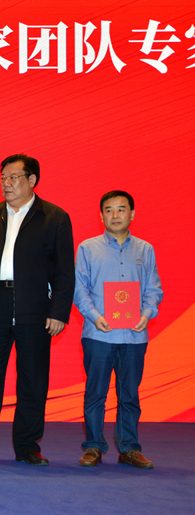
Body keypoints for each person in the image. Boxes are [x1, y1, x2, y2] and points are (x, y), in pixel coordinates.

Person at [0, 154, 74, 466]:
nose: (6, 184)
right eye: (3, 178)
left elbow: (64, 270)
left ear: (32, 180)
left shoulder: (54, 217)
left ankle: (27, 446)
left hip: (35, 308)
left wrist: (59, 311)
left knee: (33, 380)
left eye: (13, 177)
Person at [73, 191, 162, 469]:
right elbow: (79, 290)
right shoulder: (87, 248)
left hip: (134, 334)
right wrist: (95, 316)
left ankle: (129, 449)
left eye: (121, 209)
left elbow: (153, 289)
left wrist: (146, 314)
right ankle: (93, 447)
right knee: (95, 393)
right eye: (109, 210)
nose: (115, 215)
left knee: (130, 395)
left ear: (132, 214)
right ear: (101, 216)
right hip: (99, 333)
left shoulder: (145, 250)